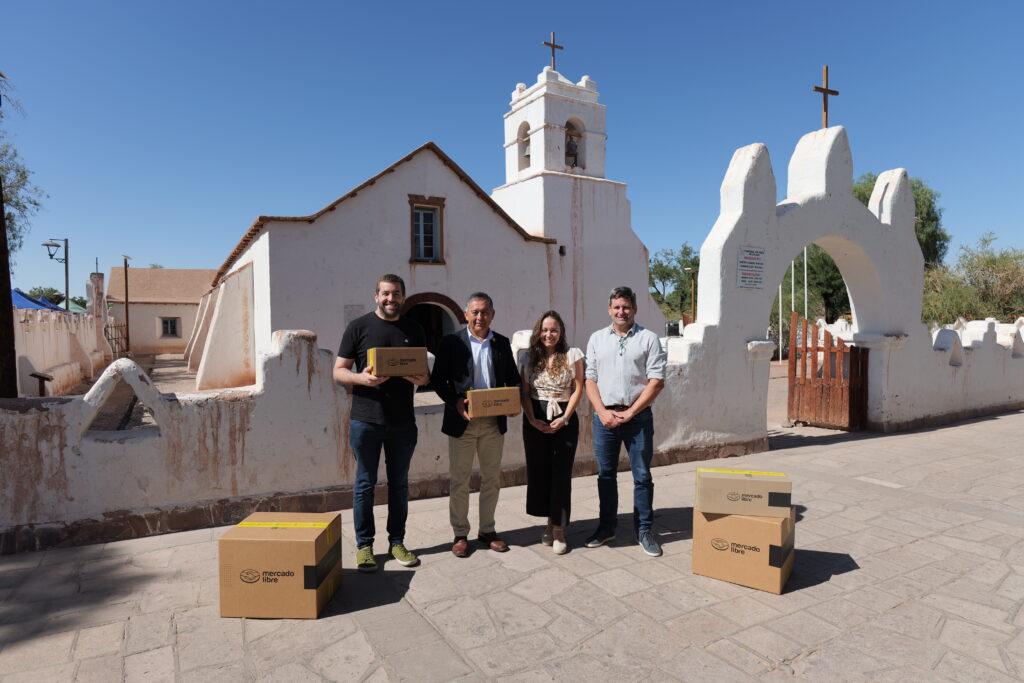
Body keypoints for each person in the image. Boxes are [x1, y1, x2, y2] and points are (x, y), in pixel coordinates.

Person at [333, 274, 430, 572]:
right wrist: (361, 378)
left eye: (396, 294)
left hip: (403, 422)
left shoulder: (414, 329)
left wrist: (421, 379)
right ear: (376, 296)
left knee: (399, 485)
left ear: (403, 296)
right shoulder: (358, 327)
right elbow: (338, 371)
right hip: (366, 420)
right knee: (364, 484)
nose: (391, 299)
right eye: (386, 294)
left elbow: (425, 374)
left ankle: (397, 541)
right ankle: (364, 546)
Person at [431, 292, 521, 557]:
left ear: (492, 314)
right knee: (460, 480)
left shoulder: (501, 343)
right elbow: (438, 380)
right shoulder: (451, 342)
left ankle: (487, 530)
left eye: (484, 312)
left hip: (493, 423)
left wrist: (512, 402)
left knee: (491, 479)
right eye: (475, 312)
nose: (479, 317)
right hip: (463, 422)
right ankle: (460, 534)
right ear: (466, 314)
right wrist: (456, 401)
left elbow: (513, 380)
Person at [584, 286, 667, 557]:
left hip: (637, 418)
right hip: (604, 418)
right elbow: (590, 379)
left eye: (626, 307)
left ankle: (644, 530)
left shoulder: (649, 339)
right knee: (605, 475)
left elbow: (656, 382)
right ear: (609, 309)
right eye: (617, 307)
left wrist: (631, 412)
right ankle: (607, 527)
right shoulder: (597, 339)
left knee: (642, 475)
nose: (621, 312)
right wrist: (602, 412)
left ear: (634, 309)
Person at [519, 310, 584, 555]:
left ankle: (558, 529)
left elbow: (579, 387)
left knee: (560, 474)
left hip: (563, 418)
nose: (549, 334)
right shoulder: (528, 358)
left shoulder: (572, 355)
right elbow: (524, 392)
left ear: (561, 332)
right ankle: (548, 522)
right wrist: (532, 419)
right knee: (540, 473)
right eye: (545, 330)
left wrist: (565, 417)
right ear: (539, 332)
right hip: (535, 418)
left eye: (554, 330)